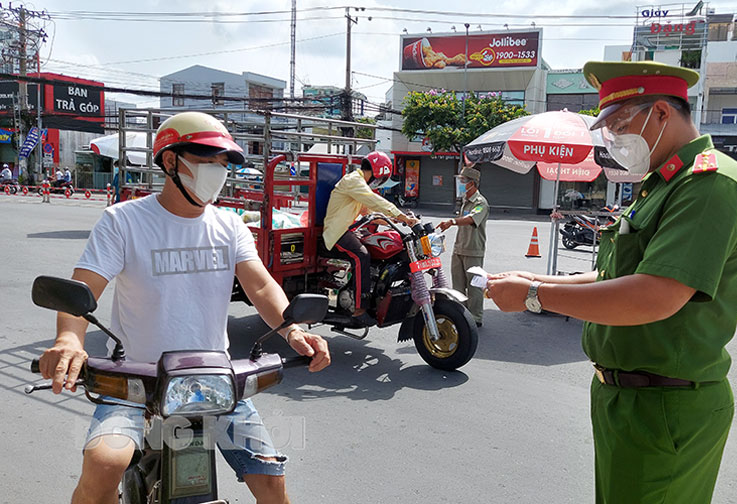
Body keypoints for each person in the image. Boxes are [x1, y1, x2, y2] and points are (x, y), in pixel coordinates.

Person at [486, 61, 737, 504]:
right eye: (608, 127)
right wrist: (536, 276)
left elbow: (654, 295)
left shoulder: (709, 185)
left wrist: (535, 298)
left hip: (664, 406)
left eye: (619, 123)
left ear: (660, 113)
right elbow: (620, 275)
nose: (613, 138)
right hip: (629, 400)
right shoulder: (661, 183)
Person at [37, 111, 331, 504]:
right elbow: (82, 290)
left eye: (223, 164)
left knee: (271, 481)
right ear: (171, 161)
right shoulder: (123, 221)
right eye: (207, 161)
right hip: (136, 381)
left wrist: (292, 329)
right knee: (105, 464)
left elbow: (260, 285)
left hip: (213, 380)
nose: (218, 171)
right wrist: (68, 341)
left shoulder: (229, 226)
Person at [322, 150, 418, 326]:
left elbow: (370, 211)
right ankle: (360, 309)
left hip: (351, 229)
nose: (381, 182)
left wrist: (397, 221)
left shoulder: (360, 186)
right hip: (337, 232)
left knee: (384, 247)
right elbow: (376, 201)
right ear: (379, 172)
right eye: (383, 177)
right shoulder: (354, 181)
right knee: (362, 255)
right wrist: (401, 215)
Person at [436, 166, 489, 327]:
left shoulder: (480, 203)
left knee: (474, 287)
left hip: (473, 250)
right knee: (458, 285)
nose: (460, 183)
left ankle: (476, 318)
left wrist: (452, 221)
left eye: (463, 181)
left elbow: (472, 219)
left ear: (472, 184)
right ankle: (462, 315)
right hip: (459, 248)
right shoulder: (465, 201)